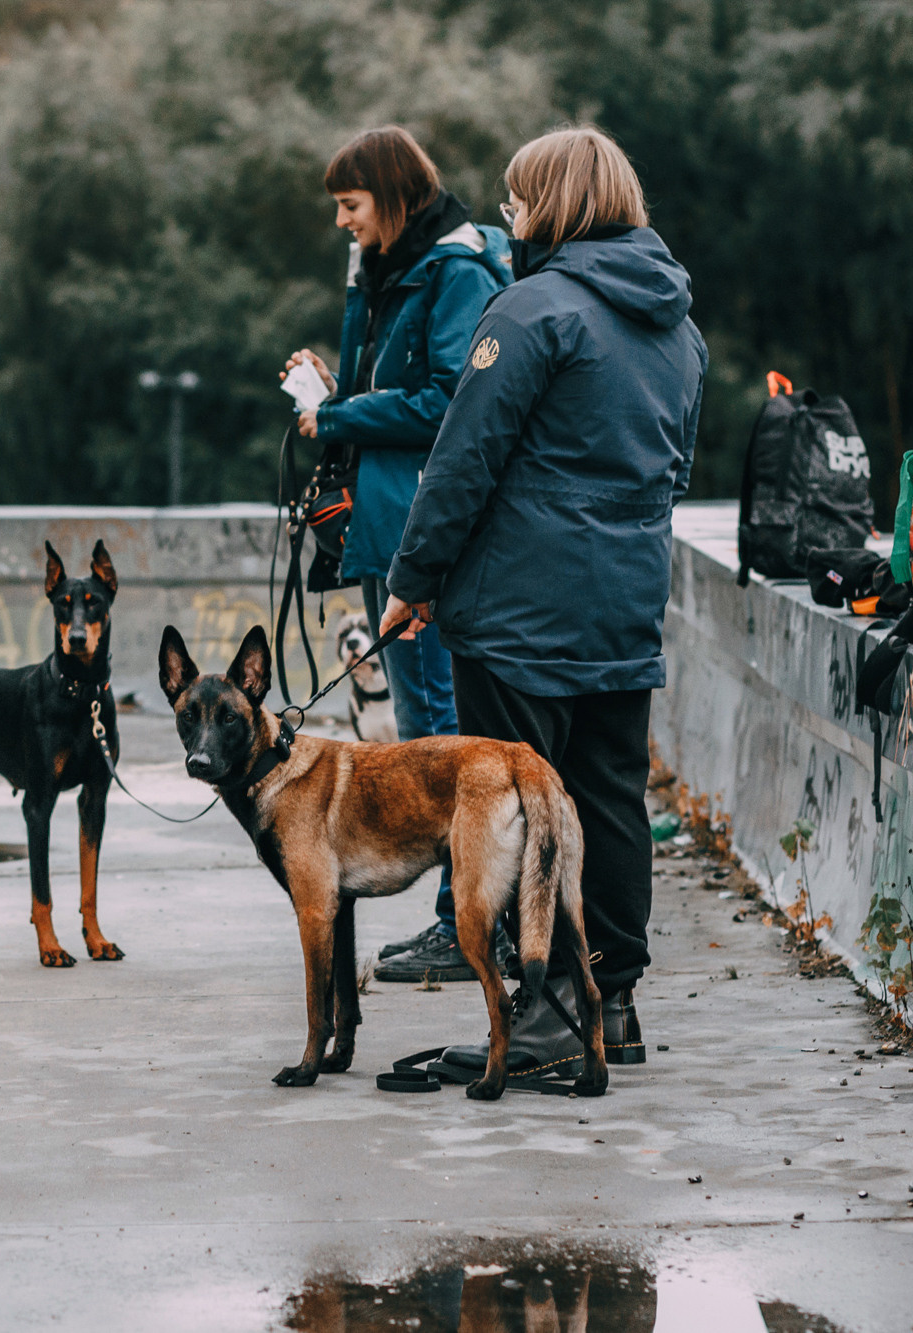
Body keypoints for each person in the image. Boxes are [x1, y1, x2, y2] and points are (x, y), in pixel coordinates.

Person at [381, 126, 707, 1075]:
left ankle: (548, 1010)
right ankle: (612, 1005)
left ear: (557, 206)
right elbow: (675, 465)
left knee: (521, 809)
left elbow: (463, 458)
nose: (510, 218)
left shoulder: (530, 311)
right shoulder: (678, 327)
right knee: (608, 800)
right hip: (624, 603)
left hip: (521, 610)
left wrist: (413, 580)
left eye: (520, 201)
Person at [282, 126, 512, 984]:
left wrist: (340, 418)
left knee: (438, 730)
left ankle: (466, 922)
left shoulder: (452, 272)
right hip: (396, 523)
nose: (343, 223)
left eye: (351, 206)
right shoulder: (398, 269)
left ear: (391, 195)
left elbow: (449, 399)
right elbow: (397, 385)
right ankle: (462, 917)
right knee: (428, 722)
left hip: (424, 531)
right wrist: (336, 386)